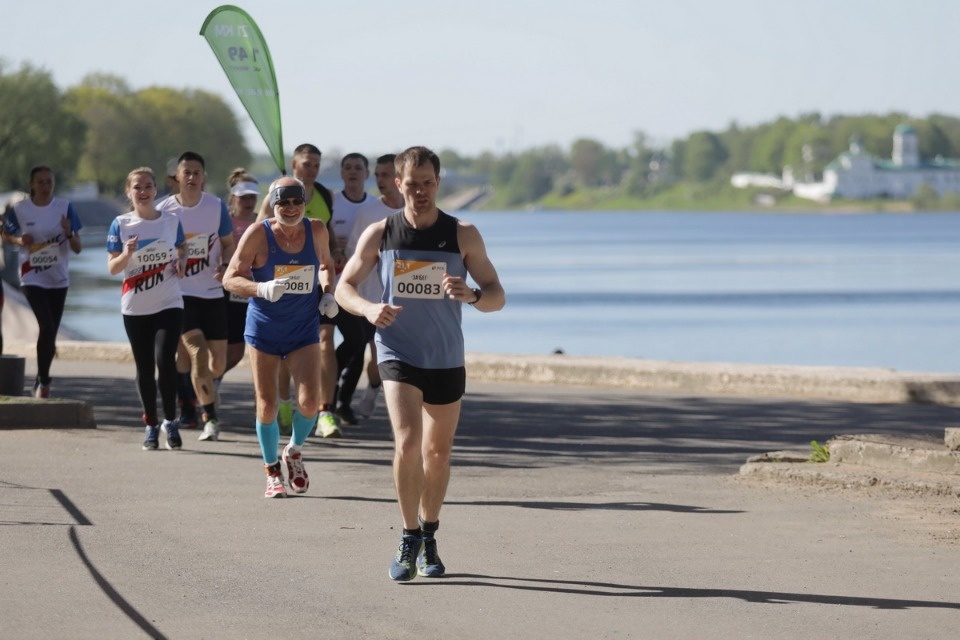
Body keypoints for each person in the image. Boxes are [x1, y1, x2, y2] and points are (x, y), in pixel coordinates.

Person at [335, 146, 505, 581]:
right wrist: (369, 310)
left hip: (446, 356)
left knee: (438, 452)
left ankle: (430, 534)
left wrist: (472, 295)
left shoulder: (462, 233)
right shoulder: (381, 233)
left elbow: (496, 295)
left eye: (428, 183)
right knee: (409, 444)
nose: (420, 191)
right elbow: (344, 288)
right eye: (412, 184)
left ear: (438, 183)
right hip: (398, 351)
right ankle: (408, 536)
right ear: (397, 183)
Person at [223, 177, 338, 498]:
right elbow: (230, 278)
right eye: (283, 203)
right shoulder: (258, 234)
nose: (290, 208)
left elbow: (327, 265)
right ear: (273, 206)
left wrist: (328, 293)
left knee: (310, 402)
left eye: (296, 202)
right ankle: (272, 471)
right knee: (268, 404)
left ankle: (295, 451)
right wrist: (260, 288)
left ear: (304, 202)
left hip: (303, 329)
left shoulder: (316, 230)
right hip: (264, 329)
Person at [257, 143, 341, 438]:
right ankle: (283, 402)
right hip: (277, 288)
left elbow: (326, 237)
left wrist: (330, 271)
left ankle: (325, 411)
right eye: (307, 164)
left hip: (313, 284)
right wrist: (262, 285)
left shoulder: (324, 195)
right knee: (282, 354)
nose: (312, 170)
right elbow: (259, 237)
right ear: (294, 165)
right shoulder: (275, 196)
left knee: (325, 340)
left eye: (316, 165)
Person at [107, 167, 187, 450]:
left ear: (156, 190)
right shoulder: (121, 223)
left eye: (148, 186)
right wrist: (127, 254)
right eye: (137, 187)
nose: (143, 192)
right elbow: (113, 268)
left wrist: (181, 260)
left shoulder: (170, 220)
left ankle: (170, 422)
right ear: (129, 192)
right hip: (135, 306)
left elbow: (182, 248)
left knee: (166, 361)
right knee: (144, 366)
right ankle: (151, 424)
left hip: (169, 301)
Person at [156, 151, 234, 442]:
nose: (191, 177)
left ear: (204, 177)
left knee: (217, 364)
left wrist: (225, 267)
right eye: (186, 172)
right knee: (198, 353)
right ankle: (210, 418)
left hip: (212, 293)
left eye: (196, 172)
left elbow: (227, 244)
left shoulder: (215, 207)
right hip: (180, 294)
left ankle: (202, 391)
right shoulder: (163, 210)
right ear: (177, 176)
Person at [1, 166, 83, 398]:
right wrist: (18, 240)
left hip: (58, 279)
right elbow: (5, 235)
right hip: (31, 276)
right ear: (32, 185)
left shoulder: (65, 208)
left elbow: (77, 248)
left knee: (51, 332)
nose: (46, 187)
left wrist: (68, 232)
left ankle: (40, 378)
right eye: (41, 182)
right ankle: (45, 382)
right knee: (46, 326)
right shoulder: (20, 209)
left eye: (49, 182)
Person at [345, 153, 404, 419]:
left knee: (391, 356)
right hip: (372, 297)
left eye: (386, 175)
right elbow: (352, 254)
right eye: (378, 175)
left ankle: (374, 389)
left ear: (399, 178)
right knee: (376, 351)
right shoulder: (368, 213)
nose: (381, 180)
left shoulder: (413, 212)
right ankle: (372, 390)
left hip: (407, 298)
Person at [328, 152, 376, 428]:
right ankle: (329, 392)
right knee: (345, 341)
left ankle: (344, 403)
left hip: (365, 287)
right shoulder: (333, 202)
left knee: (359, 346)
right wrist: (335, 244)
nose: (353, 172)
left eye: (358, 168)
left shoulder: (372, 207)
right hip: (332, 285)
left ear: (366, 174)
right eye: (348, 168)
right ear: (342, 174)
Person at [220, 169, 260, 383]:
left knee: (236, 353)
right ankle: (205, 385)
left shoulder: (262, 222)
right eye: (243, 197)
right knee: (221, 349)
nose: (248, 201)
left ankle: (209, 382)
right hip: (224, 291)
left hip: (254, 290)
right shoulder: (224, 221)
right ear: (233, 197)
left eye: (252, 197)